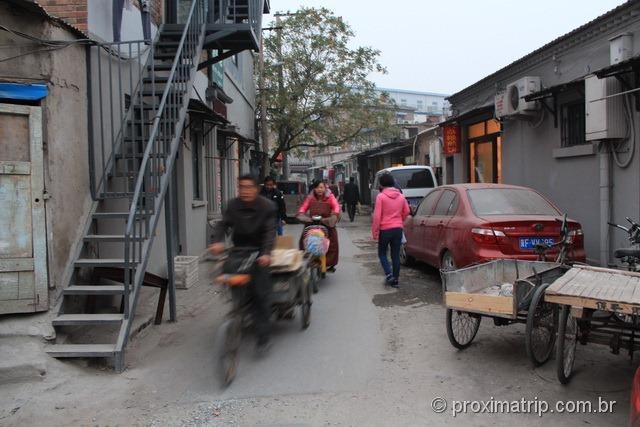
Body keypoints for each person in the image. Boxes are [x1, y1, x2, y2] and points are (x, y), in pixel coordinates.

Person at [210, 174, 276, 352]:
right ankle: (238, 309)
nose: (245, 191)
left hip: (259, 251)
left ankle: (263, 337)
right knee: (228, 275)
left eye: (249, 187)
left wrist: (266, 254)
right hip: (238, 250)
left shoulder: (267, 206)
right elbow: (222, 225)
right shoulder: (233, 205)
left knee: (260, 294)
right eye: (242, 187)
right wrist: (217, 241)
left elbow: (270, 233)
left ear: (256, 189)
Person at [371, 173, 410, 288]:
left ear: (382, 184)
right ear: (393, 183)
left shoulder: (381, 196)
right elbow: (407, 212)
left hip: (385, 230)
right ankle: (396, 280)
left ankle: (389, 275)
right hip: (397, 229)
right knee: (395, 256)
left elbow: (377, 216)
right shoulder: (401, 196)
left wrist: (375, 231)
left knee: (382, 253)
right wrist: (399, 221)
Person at [297, 181, 341, 270]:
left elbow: (336, 207)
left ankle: (329, 262)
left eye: (321, 187)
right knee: (303, 240)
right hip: (312, 223)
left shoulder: (330, 197)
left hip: (326, 223)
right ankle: (306, 258)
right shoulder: (310, 197)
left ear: (325, 188)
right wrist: (301, 214)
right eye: (317, 187)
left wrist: (334, 216)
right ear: (314, 189)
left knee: (333, 242)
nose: (319, 189)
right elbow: (303, 207)